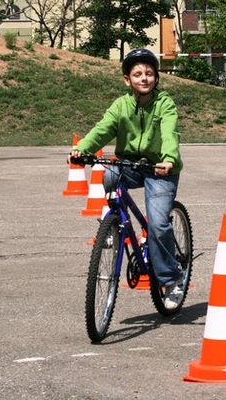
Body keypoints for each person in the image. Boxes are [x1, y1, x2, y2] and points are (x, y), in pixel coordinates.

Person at [68, 48, 184, 310]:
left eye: (149, 74)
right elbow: (102, 129)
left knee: (157, 225)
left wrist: (168, 159)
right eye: (138, 74)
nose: (144, 78)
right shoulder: (121, 105)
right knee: (108, 172)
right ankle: (114, 223)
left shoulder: (164, 103)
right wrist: (81, 149)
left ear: (157, 77)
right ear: (127, 79)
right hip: (130, 165)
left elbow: (169, 132)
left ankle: (171, 279)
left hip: (160, 169)